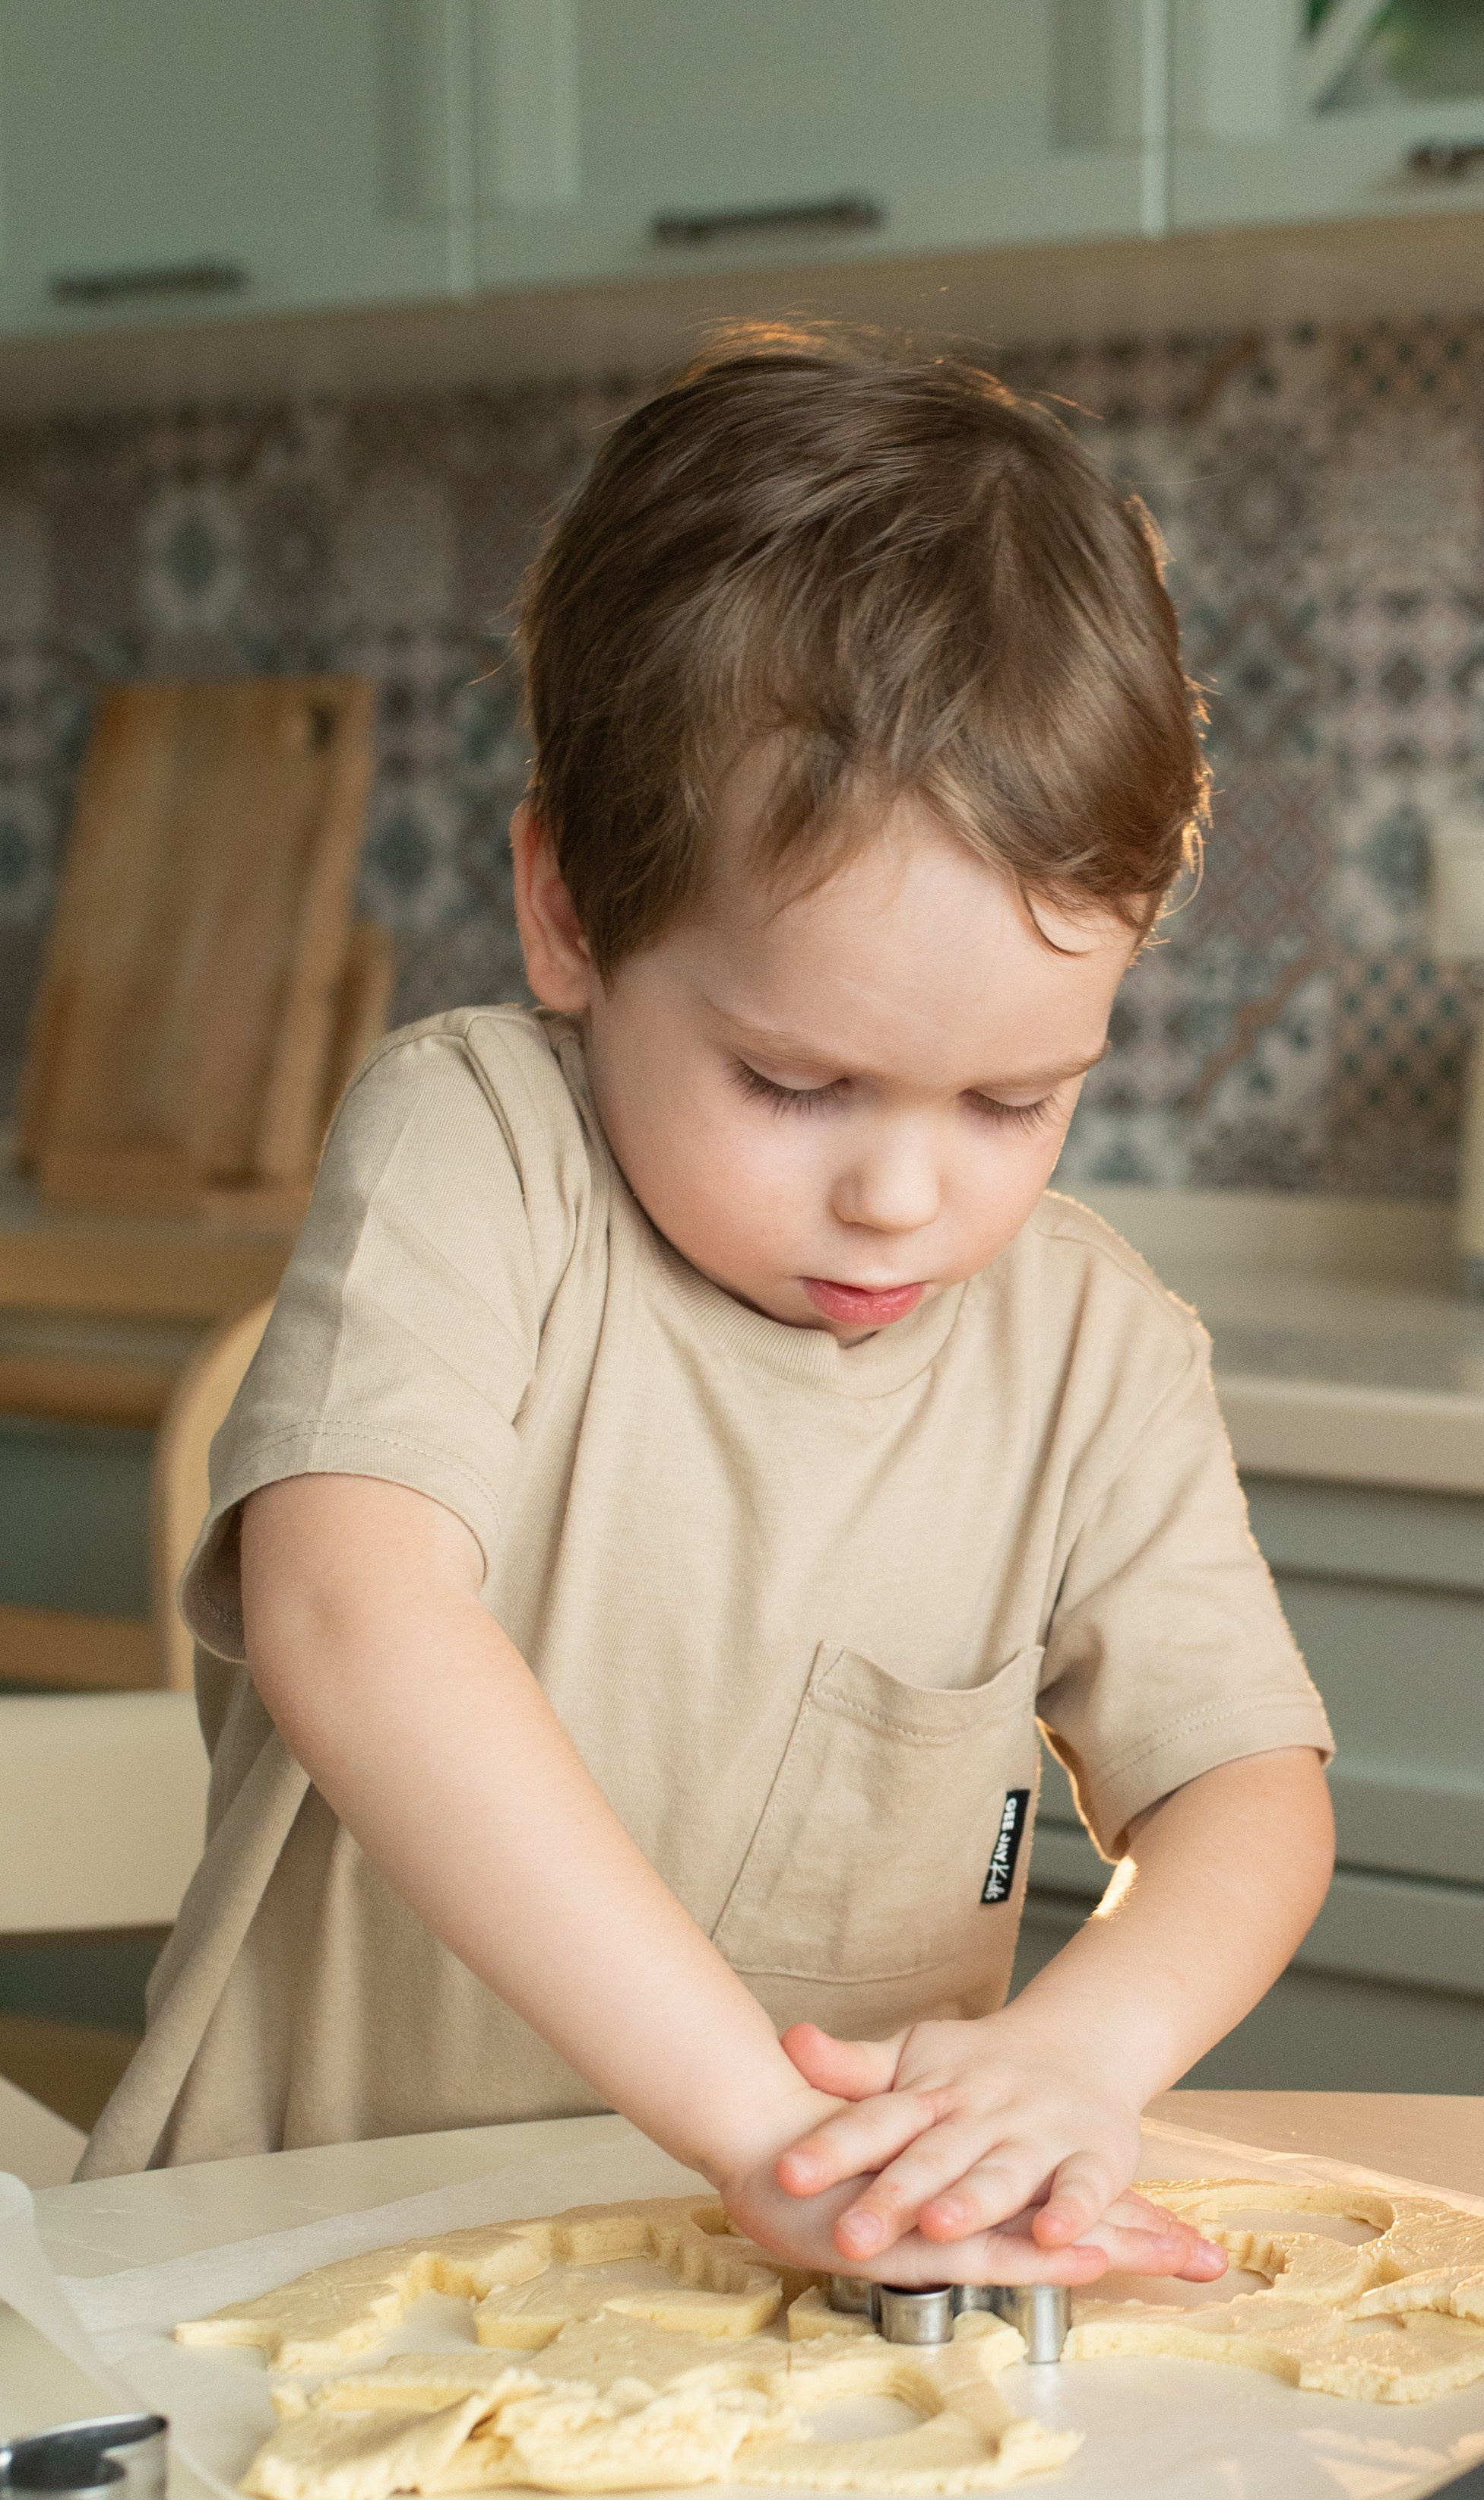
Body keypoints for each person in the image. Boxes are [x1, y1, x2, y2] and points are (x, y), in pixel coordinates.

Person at [81, 329, 1334, 2299]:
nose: (903, 1191)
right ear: (571, 912)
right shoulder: (475, 1140)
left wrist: (1087, 2045)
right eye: (793, 1080)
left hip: (800, 2322)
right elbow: (349, 1610)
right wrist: (763, 2125)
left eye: (1014, 1099)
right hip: (290, 2273)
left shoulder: (1091, 1347)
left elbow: (1243, 1790)